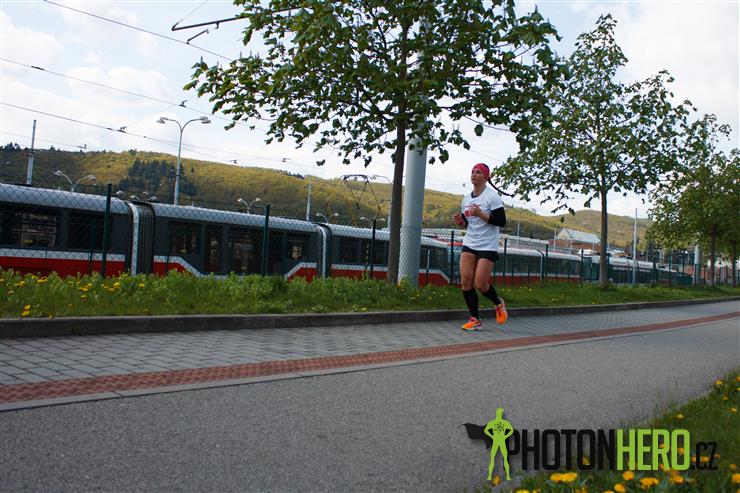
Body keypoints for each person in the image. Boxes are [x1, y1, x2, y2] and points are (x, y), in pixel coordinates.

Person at [453, 162, 508, 330]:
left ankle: (498, 303)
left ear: (486, 177)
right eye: (472, 172)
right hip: (470, 242)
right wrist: (461, 221)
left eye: (478, 172)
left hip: (488, 245)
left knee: (480, 283)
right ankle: (475, 319)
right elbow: (467, 223)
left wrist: (481, 214)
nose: (474, 174)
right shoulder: (466, 199)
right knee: (466, 280)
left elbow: (501, 221)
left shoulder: (492, 197)